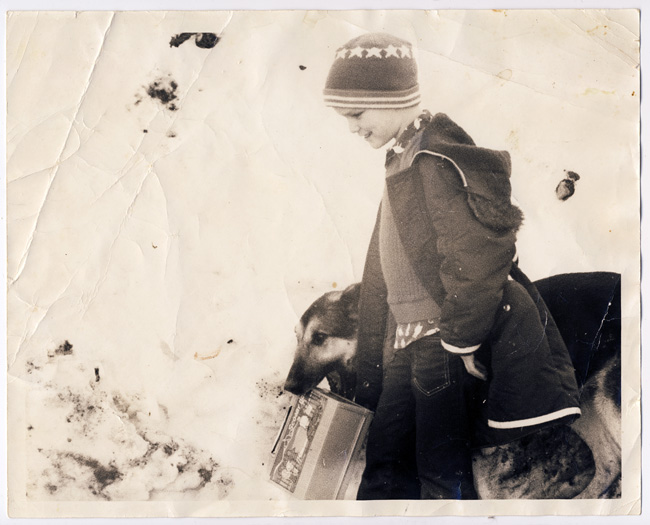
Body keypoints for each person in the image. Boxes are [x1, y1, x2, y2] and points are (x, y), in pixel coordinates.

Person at [322, 32, 582, 500]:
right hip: (407, 342)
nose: (352, 128)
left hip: (439, 341)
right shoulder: (403, 157)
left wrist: (461, 340)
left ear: (393, 98)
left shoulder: (436, 155)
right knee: (385, 460)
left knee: (439, 467)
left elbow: (478, 251)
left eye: (357, 114)